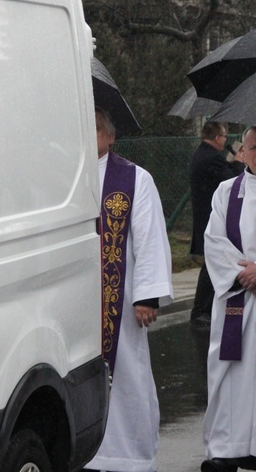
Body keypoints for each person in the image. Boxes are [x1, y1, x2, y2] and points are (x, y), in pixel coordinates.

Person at [85, 108, 173, 472]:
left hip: (118, 303)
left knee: (126, 377)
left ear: (110, 136)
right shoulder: (68, 177)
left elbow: (151, 237)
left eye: (94, 130)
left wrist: (147, 295)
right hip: (77, 299)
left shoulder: (134, 179)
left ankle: (128, 457)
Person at [201, 127, 256, 472]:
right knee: (231, 372)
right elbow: (214, 240)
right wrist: (244, 274)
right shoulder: (227, 190)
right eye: (253, 147)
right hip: (237, 296)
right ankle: (228, 446)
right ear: (242, 152)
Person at [189, 121, 237, 326]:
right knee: (211, 265)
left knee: (211, 263)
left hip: (203, 216)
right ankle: (200, 310)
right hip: (211, 218)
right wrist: (237, 163)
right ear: (218, 138)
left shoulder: (201, 154)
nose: (225, 140)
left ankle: (205, 308)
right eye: (224, 137)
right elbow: (231, 182)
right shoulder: (213, 158)